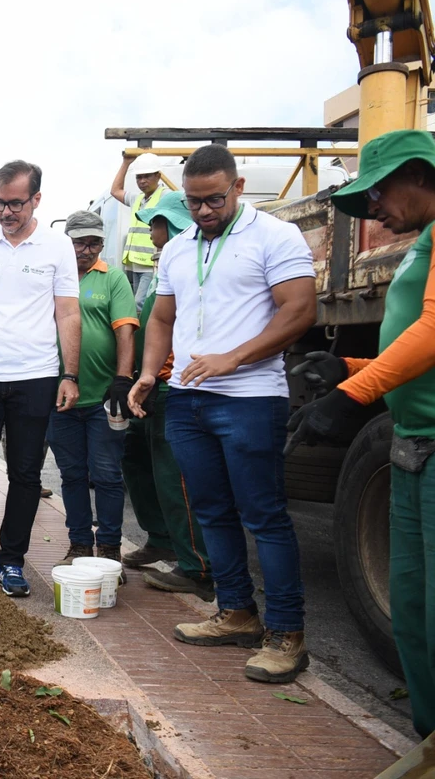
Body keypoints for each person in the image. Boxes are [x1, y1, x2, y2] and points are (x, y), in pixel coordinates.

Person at [128, 144, 316, 683]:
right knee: (210, 510)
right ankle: (236, 613)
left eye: (214, 199)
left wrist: (232, 358)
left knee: (264, 515)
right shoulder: (178, 247)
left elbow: (300, 309)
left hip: (251, 397)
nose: (204, 211)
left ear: (237, 187)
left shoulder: (275, 236)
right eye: (193, 202)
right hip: (186, 397)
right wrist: (149, 372)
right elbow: (161, 316)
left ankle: (286, 634)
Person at [286, 128, 435, 736]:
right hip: (410, 450)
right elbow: (410, 345)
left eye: (380, 190)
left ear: (422, 175)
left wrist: (354, 395)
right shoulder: (424, 239)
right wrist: (346, 366)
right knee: (413, 614)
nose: (372, 207)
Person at [0, 159, 81, 597]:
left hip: (35, 377)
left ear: (37, 199)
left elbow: (68, 312)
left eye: (16, 203)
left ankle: (11, 562)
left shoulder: (57, 247)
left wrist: (68, 374)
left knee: (26, 474)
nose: (6, 212)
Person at [119, 191, 213, 600]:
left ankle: (196, 564)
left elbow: (174, 327)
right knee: (136, 461)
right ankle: (159, 537)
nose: (150, 229)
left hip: (171, 386)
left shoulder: (187, 265)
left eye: (156, 222)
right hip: (148, 383)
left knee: (174, 475)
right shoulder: (163, 266)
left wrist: (157, 376)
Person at [47, 211, 137, 568]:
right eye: (79, 242)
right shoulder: (55, 276)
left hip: (103, 399)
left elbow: (125, 330)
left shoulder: (112, 278)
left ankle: (111, 549)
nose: (86, 250)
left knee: (107, 475)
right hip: (59, 397)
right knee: (72, 474)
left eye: (94, 243)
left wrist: (122, 380)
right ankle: (80, 545)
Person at [111, 152, 166, 313]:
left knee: (140, 305)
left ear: (158, 176)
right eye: (138, 177)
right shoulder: (138, 199)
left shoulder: (166, 197)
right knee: (136, 305)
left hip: (151, 264)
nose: (142, 181)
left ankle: (143, 337)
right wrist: (126, 163)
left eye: (147, 176)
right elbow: (115, 191)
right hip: (135, 263)